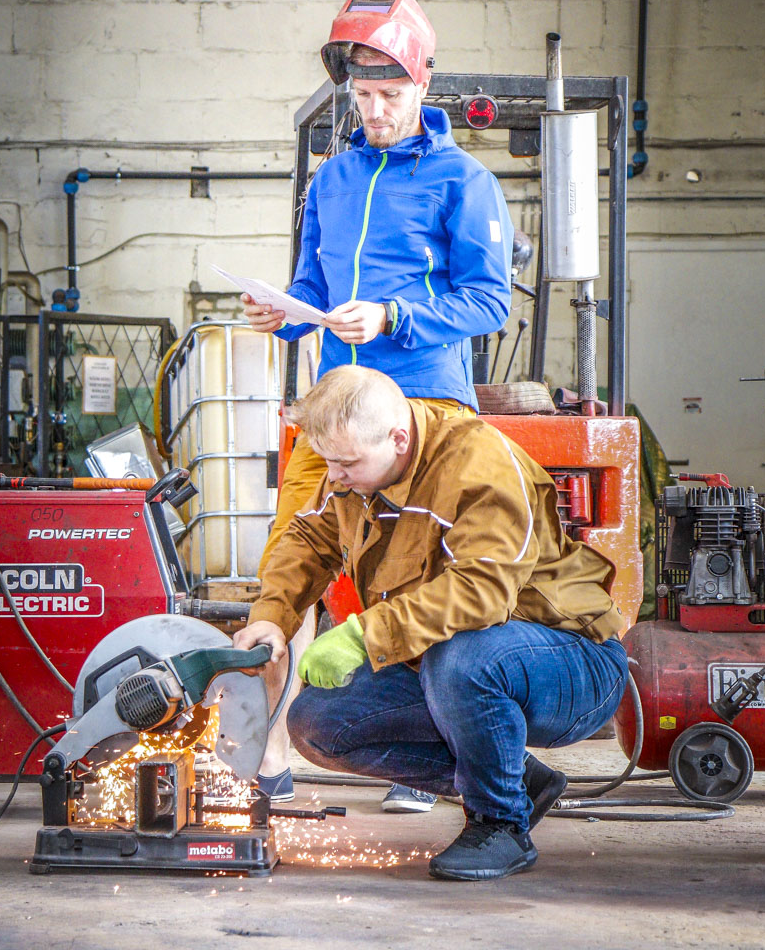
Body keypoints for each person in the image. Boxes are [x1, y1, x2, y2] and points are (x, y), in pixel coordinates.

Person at [242, 0, 514, 811]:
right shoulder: (332, 180)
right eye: (361, 96)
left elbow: (489, 302)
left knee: (409, 589)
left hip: (422, 416)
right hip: (334, 411)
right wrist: (283, 316)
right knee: (289, 560)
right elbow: (313, 285)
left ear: (422, 85)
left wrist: (396, 313)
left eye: (389, 94)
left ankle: (421, 760)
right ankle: (263, 753)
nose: (374, 110)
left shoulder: (462, 181)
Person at [233, 366, 628, 881]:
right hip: (453, 661)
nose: (335, 477)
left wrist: (362, 634)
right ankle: (518, 782)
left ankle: (501, 824)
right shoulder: (354, 474)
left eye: (347, 463)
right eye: (329, 462)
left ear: (399, 439)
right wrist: (271, 618)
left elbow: (481, 593)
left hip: (572, 661)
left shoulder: (478, 464)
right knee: (319, 723)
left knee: (461, 658)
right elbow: (307, 541)